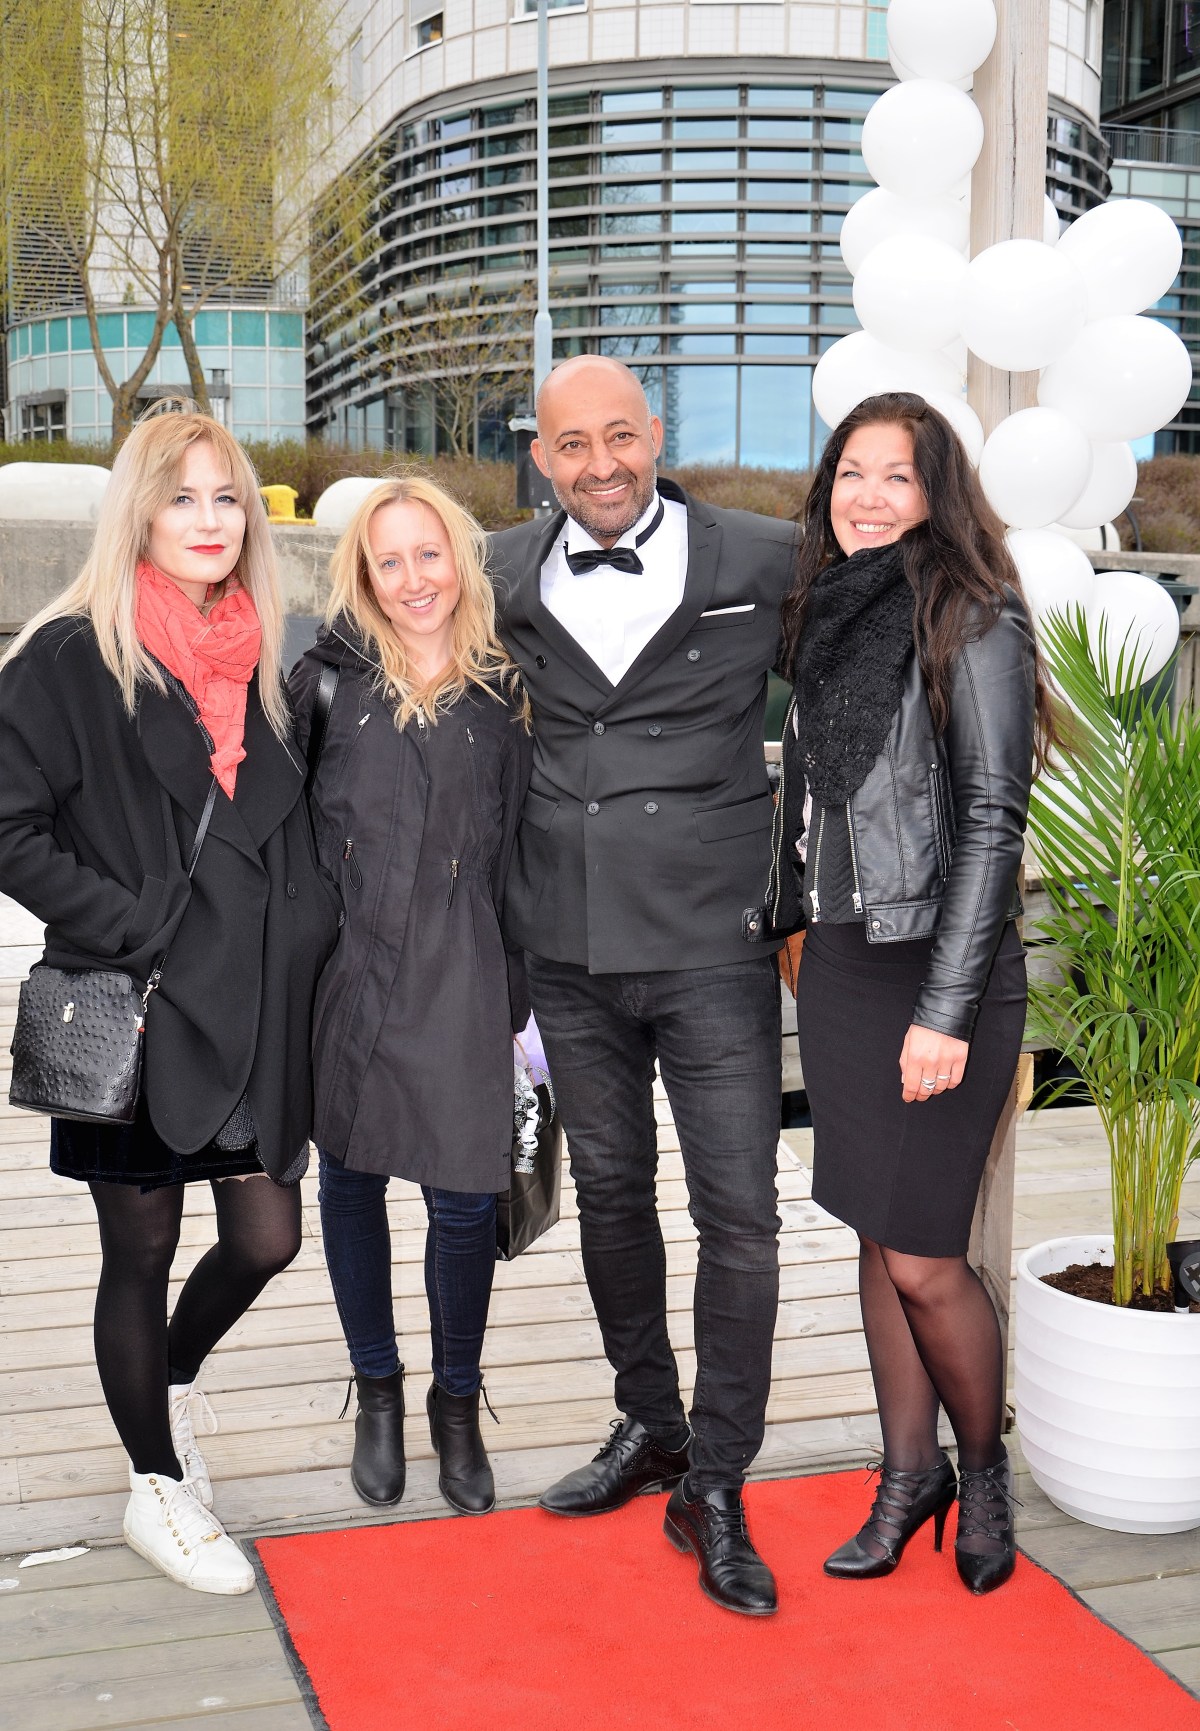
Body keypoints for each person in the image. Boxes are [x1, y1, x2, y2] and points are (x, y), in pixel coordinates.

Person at [0, 405, 341, 1594]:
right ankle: (154, 1484)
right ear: (137, 514)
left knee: (266, 1235)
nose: (209, 519)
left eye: (226, 497)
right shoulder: (70, 657)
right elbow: (10, 828)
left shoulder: (263, 660)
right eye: (181, 497)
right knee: (138, 1249)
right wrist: (131, 920)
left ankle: (170, 1383)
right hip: (138, 1000)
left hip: (253, 1008)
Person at [490, 355, 798, 1617]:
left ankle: (716, 1481)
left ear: (656, 434)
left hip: (715, 944)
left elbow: (872, 674)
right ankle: (650, 1423)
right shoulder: (499, 571)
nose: (601, 464)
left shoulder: (767, 556)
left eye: (620, 436)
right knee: (612, 1198)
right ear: (540, 457)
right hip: (566, 948)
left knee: (742, 1217)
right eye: (573, 445)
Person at [775, 391, 1054, 1596]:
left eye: (897, 476)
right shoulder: (828, 611)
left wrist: (944, 1010)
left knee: (928, 1254)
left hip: (946, 970)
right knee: (877, 1229)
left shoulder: (974, 616)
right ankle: (907, 1473)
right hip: (848, 961)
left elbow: (992, 821)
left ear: (937, 493)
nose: (870, 497)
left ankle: (980, 1471)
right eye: (852, 473)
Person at [290, 476, 531, 1517]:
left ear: (460, 560)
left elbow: (525, 852)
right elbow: (284, 840)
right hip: (351, 973)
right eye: (388, 561)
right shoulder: (323, 682)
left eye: (428, 554)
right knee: (349, 1185)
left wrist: (527, 1002)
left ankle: (456, 1402)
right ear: (362, 573)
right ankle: (379, 1391)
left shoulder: (509, 690)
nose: (412, 579)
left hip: (467, 973)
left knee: (464, 1202)